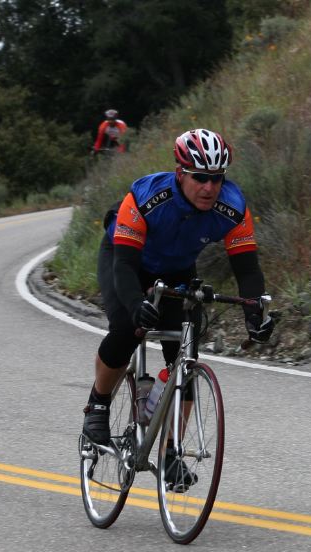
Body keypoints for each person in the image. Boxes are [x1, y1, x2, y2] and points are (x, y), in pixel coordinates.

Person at [81, 128, 274, 484]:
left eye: (217, 178)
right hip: (126, 262)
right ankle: (98, 403)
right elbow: (123, 267)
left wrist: (254, 314)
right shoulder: (148, 197)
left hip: (176, 271)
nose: (209, 187)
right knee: (127, 328)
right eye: (200, 178)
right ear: (180, 173)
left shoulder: (233, 207)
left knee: (185, 356)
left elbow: (247, 269)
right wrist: (137, 302)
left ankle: (170, 454)